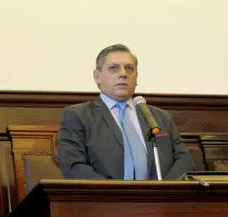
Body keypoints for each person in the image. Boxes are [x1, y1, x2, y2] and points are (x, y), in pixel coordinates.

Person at [57, 44, 193, 180]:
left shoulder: (160, 117)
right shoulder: (78, 115)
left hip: (160, 199)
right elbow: (74, 166)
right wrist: (115, 195)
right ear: (97, 77)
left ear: (136, 76)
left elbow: (184, 160)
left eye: (129, 68)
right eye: (113, 68)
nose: (123, 74)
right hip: (104, 198)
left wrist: (161, 192)